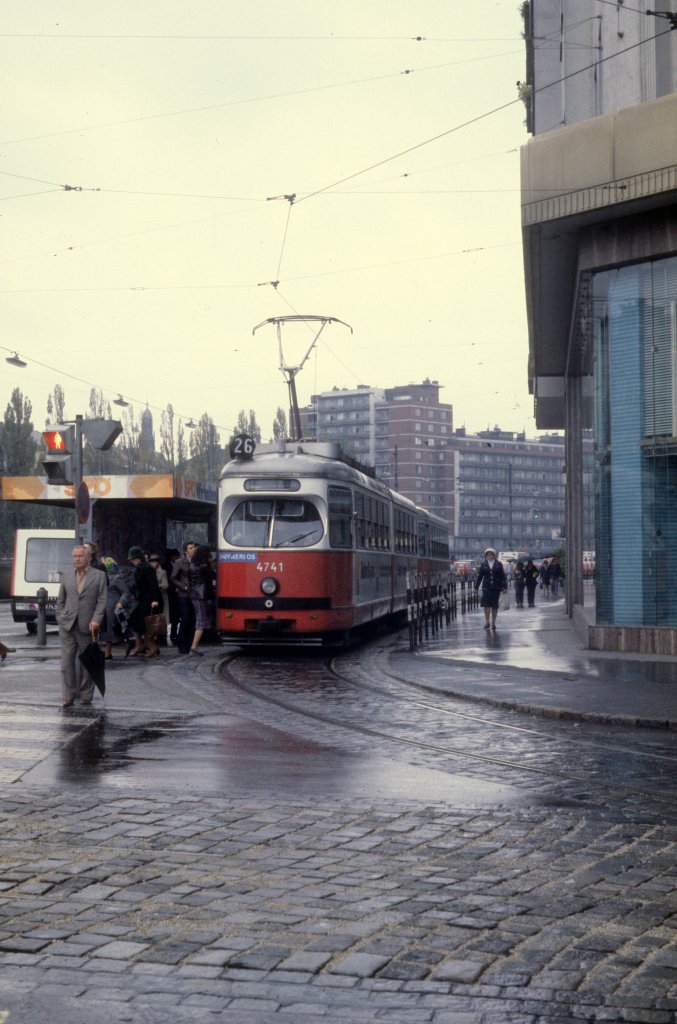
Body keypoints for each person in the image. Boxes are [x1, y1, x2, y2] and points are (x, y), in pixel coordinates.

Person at [55, 545, 108, 707]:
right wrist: (60, 617)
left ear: (89, 557)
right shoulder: (66, 575)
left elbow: (102, 600)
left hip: (88, 625)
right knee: (66, 663)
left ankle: (86, 695)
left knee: (87, 663)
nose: (77, 559)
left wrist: (96, 619)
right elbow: (61, 599)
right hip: (67, 624)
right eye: (74, 556)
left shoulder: (99, 576)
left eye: (80, 556)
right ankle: (68, 696)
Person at [120, 546, 161, 657]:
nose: (131, 561)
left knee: (146, 625)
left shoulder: (147, 568)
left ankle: (151, 646)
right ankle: (140, 645)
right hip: (140, 599)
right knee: (135, 622)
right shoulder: (139, 568)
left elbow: (153, 585)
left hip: (147, 601)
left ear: (138, 558)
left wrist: (154, 600)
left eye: (133, 559)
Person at [187, 543, 216, 656]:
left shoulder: (193, 564)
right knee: (201, 621)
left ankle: (194, 647)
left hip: (195, 595)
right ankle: (193, 647)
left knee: (200, 619)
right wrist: (212, 564)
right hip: (201, 595)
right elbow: (213, 575)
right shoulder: (203, 566)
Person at [171, 540, 197, 654]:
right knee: (185, 618)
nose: (193, 549)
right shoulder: (179, 562)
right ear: (186, 551)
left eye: (194, 547)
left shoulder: (196, 561)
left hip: (194, 594)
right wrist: (183, 587)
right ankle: (181, 644)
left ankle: (190, 644)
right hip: (183, 595)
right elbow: (173, 578)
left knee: (193, 619)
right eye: (191, 548)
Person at [475, 547, 507, 630]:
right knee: (486, 605)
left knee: (494, 605)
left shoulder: (498, 564)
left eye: (491, 554)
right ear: (486, 555)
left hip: (496, 587)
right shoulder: (483, 564)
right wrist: (476, 586)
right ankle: (487, 622)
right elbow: (480, 576)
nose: (490, 556)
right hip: (486, 587)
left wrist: (504, 586)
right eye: (488, 555)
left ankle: (493, 623)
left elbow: (502, 576)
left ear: (494, 555)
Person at [149, 553, 169, 644]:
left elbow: (166, 584)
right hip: (151, 598)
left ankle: (162, 635)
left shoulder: (163, 572)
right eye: (152, 561)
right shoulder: (148, 571)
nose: (154, 563)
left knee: (162, 617)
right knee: (151, 617)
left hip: (161, 597)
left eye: (155, 561)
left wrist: (157, 586)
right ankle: (153, 635)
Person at [165, 548, 181, 645]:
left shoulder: (177, 565)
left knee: (176, 616)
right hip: (170, 594)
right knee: (172, 615)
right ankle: (172, 634)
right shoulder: (166, 566)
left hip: (177, 594)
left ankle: (174, 634)